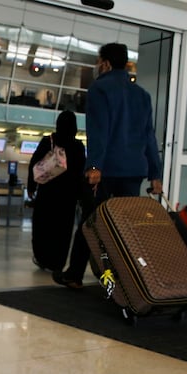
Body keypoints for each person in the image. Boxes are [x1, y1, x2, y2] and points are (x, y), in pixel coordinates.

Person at [53, 42, 164, 290]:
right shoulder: (142, 96)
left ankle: (75, 275)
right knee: (124, 228)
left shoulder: (100, 89)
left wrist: (94, 166)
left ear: (105, 63)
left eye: (97, 61)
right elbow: (149, 136)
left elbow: (99, 131)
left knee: (92, 223)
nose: (96, 66)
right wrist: (156, 173)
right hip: (134, 172)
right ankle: (124, 281)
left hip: (106, 171)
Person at [27, 110, 86, 272]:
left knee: (42, 226)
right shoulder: (78, 146)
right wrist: (81, 195)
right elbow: (81, 172)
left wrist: (31, 187)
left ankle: (41, 257)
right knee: (63, 230)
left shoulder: (48, 141)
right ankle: (57, 262)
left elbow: (35, 163)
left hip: (47, 193)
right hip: (68, 197)